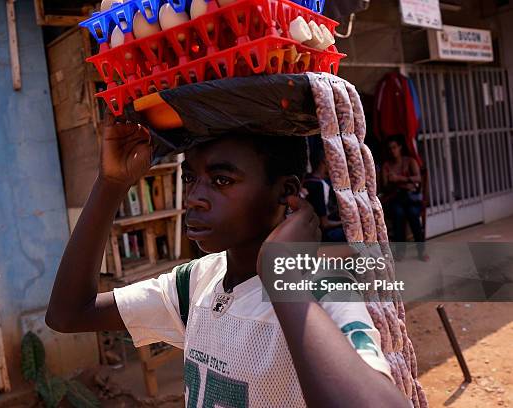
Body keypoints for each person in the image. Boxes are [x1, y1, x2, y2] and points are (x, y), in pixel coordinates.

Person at [45, 114, 408, 407]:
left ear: (285, 192)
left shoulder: (323, 290)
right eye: (191, 178)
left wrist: (280, 275)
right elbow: (68, 313)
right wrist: (110, 184)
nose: (194, 198)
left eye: (221, 180)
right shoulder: (196, 281)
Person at [381, 135, 427, 261]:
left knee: (413, 214)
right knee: (398, 214)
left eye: (394, 147)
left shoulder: (410, 161)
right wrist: (400, 184)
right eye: (390, 148)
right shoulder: (386, 166)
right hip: (395, 198)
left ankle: (421, 250)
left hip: (411, 198)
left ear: (400, 148)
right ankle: (400, 251)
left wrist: (399, 179)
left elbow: (418, 179)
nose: (392, 151)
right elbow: (385, 187)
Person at [303, 141, 346, 242]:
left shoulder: (308, 180)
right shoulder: (319, 185)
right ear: (325, 161)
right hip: (321, 234)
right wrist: (345, 222)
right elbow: (324, 224)